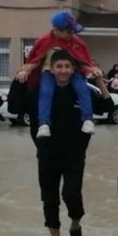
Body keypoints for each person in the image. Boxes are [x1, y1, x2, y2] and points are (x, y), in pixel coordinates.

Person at [22, 49, 113, 236]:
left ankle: (75, 224)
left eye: (67, 67)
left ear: (73, 69)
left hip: (74, 154)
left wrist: (99, 82)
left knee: (71, 194)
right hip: (47, 154)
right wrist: (24, 73)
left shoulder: (81, 92)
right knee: (50, 199)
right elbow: (16, 105)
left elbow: (108, 106)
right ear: (52, 69)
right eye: (59, 66)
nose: (63, 70)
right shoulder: (40, 92)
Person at [16, 10, 96, 139]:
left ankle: (87, 119)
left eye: (72, 31)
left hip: (73, 71)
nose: (72, 34)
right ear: (56, 30)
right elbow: (35, 61)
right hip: (48, 71)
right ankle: (43, 123)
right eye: (68, 31)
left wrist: (91, 70)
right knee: (45, 92)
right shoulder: (44, 41)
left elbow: (83, 61)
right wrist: (25, 70)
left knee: (83, 90)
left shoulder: (76, 41)